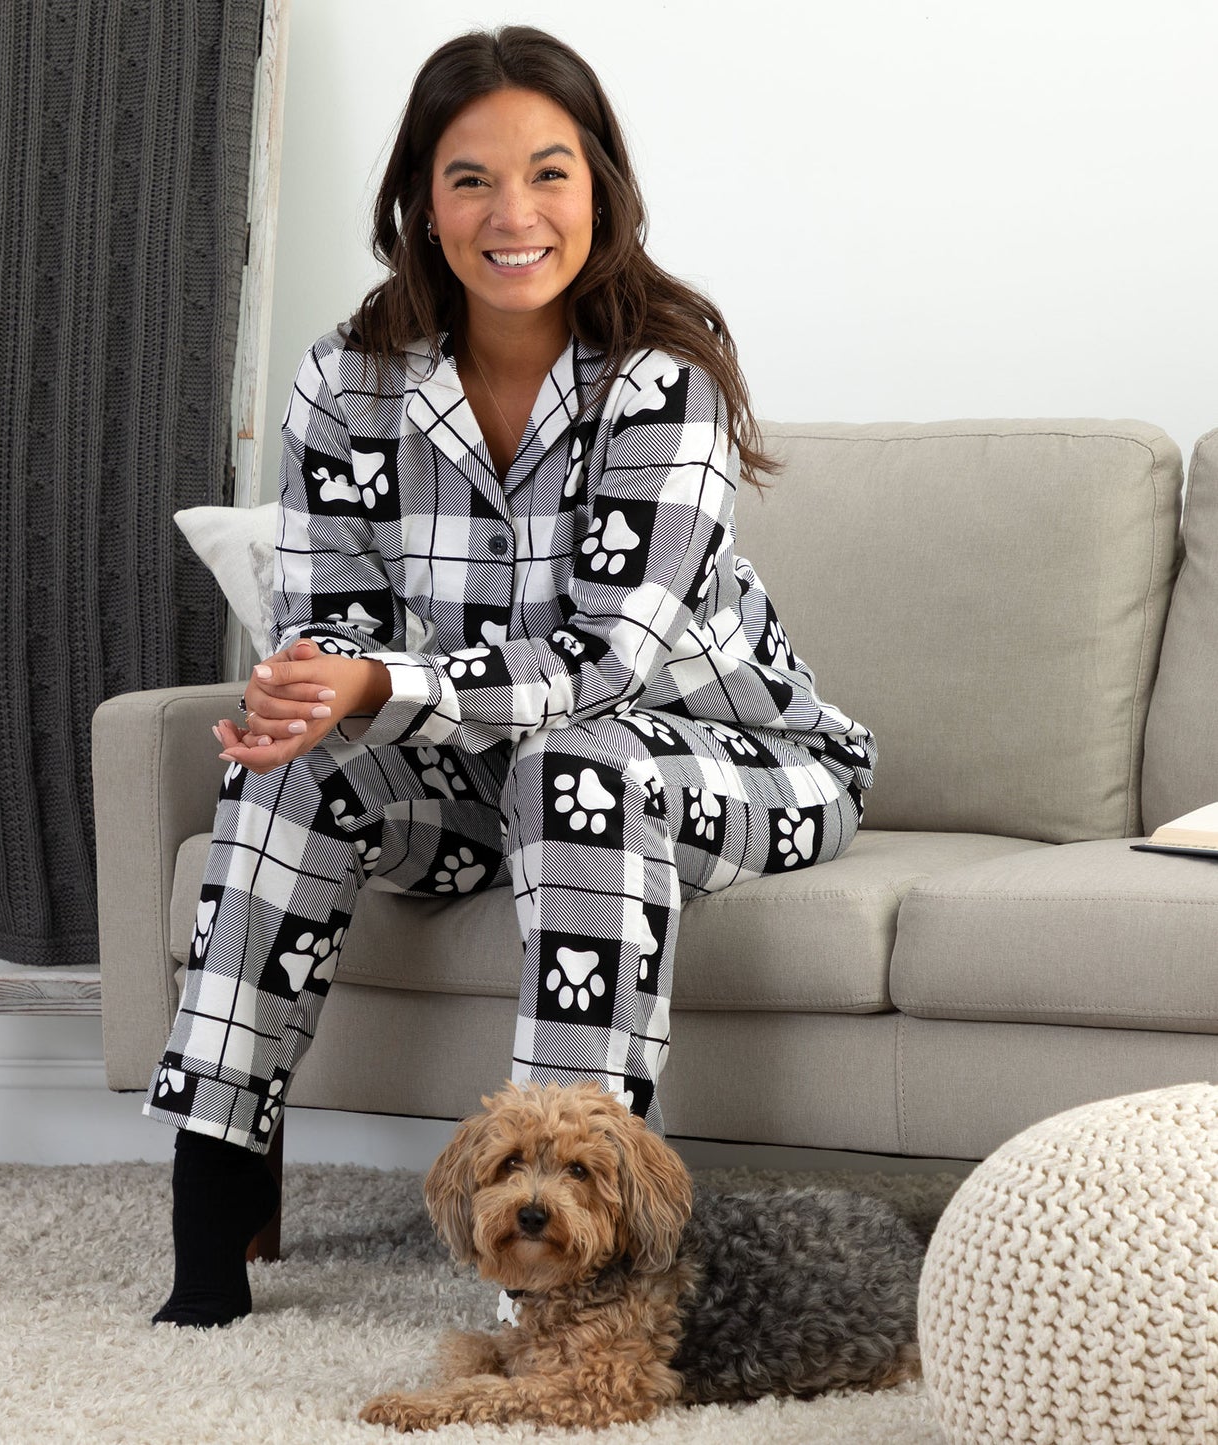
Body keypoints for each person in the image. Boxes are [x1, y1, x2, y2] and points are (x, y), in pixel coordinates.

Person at [144, 24, 875, 1328]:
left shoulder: (662, 383)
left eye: (547, 172)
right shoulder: (351, 376)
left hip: (738, 763)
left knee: (575, 762)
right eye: (469, 178)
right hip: (487, 774)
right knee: (294, 767)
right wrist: (310, 692)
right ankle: (210, 1213)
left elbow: (609, 661)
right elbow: (331, 625)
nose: (511, 212)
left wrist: (384, 684)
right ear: (422, 202)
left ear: (599, 187)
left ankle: (568, 1284)